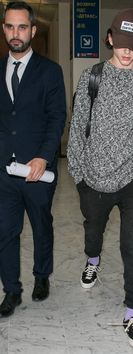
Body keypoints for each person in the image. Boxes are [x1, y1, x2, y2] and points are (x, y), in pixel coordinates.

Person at [67, 8, 133, 349]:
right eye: (120, 44)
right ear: (109, 38)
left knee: (132, 244)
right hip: (93, 176)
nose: (126, 52)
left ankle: (132, 313)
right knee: (93, 230)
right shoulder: (92, 76)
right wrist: (78, 172)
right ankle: (92, 259)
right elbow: (78, 126)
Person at [0, 1, 66, 317]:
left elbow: (56, 118)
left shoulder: (50, 72)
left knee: (41, 226)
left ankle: (42, 276)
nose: (16, 33)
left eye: (22, 27)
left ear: (33, 30)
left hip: (38, 171)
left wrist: (43, 156)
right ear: (4, 28)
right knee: (5, 232)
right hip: (3, 172)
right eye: (10, 26)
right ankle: (11, 290)